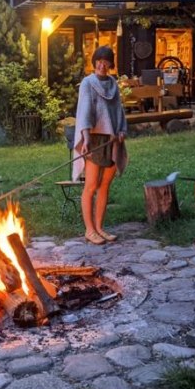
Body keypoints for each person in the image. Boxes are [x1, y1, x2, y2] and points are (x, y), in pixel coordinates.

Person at [73, 46, 128, 245]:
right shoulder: (87, 83)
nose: (102, 64)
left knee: (105, 185)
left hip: (112, 140)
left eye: (106, 61)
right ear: (94, 61)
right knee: (91, 185)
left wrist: (122, 130)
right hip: (95, 140)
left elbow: (119, 111)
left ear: (111, 64)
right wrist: (86, 137)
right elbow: (85, 111)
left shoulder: (113, 84)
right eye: (99, 60)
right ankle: (89, 230)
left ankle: (99, 227)